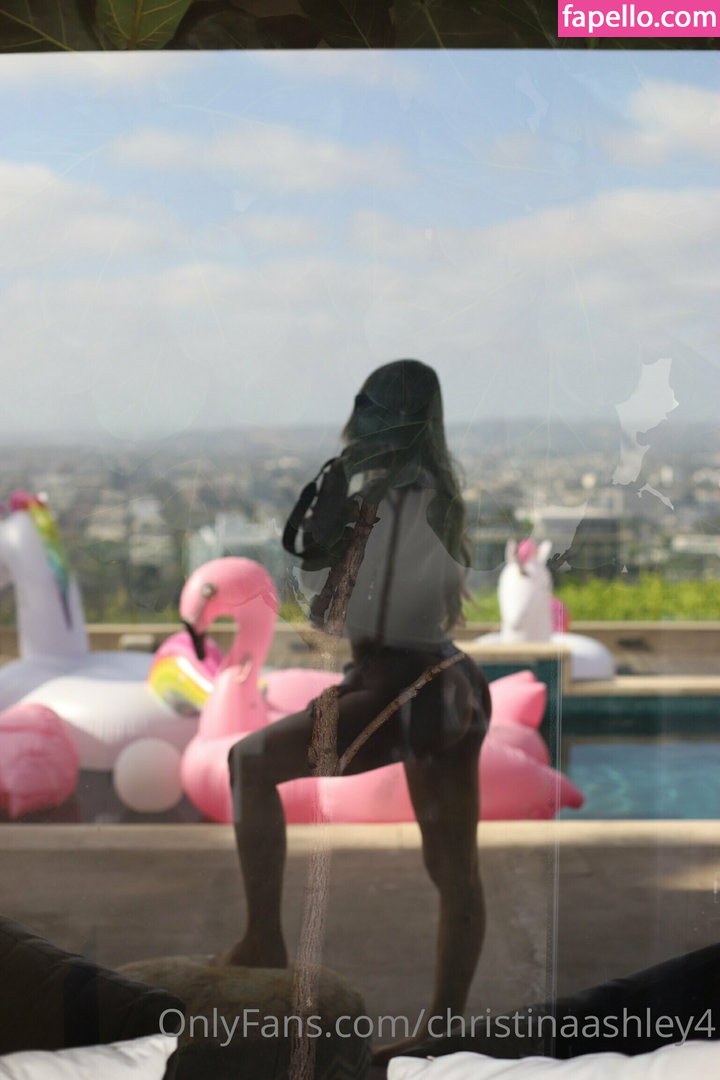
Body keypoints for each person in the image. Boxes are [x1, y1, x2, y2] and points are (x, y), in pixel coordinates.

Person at [220, 360, 491, 1054]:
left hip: (405, 681)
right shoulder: (432, 495)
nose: (358, 419)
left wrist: (331, 534)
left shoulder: (395, 501)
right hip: (446, 678)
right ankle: (443, 1030)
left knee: (249, 762)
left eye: (369, 406)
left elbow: (343, 616)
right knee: (454, 870)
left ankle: (263, 938)